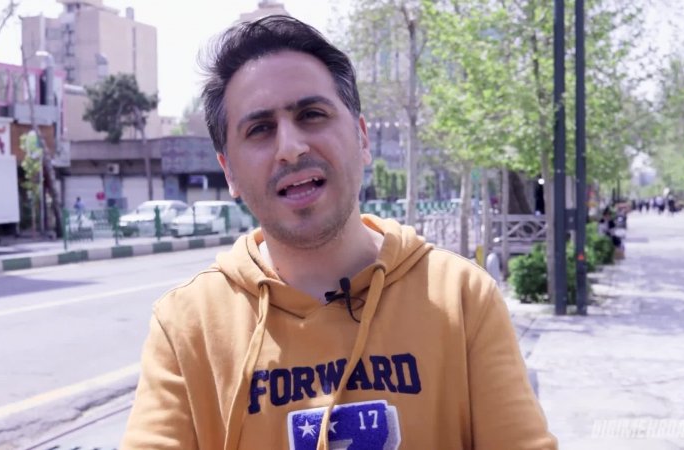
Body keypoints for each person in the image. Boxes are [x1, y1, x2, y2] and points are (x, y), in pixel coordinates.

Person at [122, 16, 556, 450]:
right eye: (260, 129)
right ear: (229, 171)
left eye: (311, 115)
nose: (290, 147)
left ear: (362, 138)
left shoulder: (462, 298)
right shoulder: (187, 326)